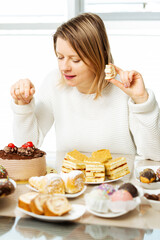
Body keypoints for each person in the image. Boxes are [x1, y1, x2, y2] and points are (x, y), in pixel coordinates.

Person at [10, 12, 160, 161]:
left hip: (121, 183)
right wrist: (23, 105)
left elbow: (155, 154)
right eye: (60, 57)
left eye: (75, 60)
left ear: (98, 56)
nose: (64, 67)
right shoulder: (54, 82)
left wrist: (142, 101)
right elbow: (24, 148)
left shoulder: (125, 88)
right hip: (70, 183)